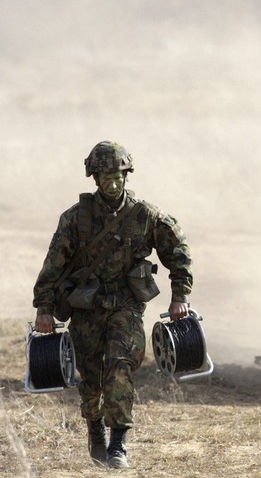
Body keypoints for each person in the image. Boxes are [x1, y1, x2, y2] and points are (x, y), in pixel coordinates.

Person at [32, 141, 194, 468]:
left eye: (118, 174)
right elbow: (53, 266)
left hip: (127, 306)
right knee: (91, 376)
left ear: (127, 174)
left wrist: (180, 295)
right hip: (86, 308)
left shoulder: (144, 216)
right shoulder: (76, 219)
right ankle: (95, 429)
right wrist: (44, 308)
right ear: (94, 177)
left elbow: (178, 250)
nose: (113, 181)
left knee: (119, 365)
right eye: (106, 175)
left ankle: (118, 443)